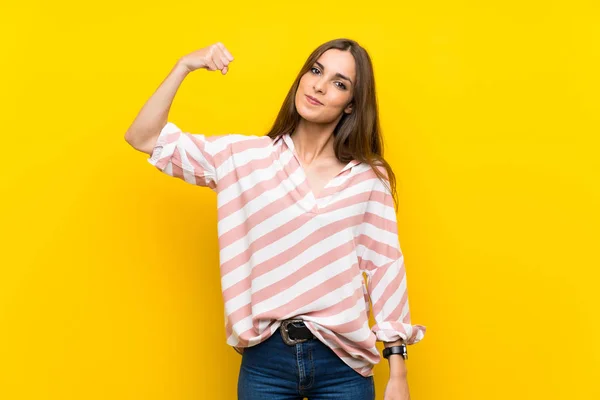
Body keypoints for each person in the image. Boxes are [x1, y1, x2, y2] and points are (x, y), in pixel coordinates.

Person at [125, 38, 426, 400]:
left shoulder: (366, 178)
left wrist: (398, 371)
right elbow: (142, 137)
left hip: (344, 365)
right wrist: (184, 66)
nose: (319, 85)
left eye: (339, 83)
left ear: (350, 106)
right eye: (315, 71)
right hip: (266, 362)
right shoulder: (245, 158)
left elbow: (385, 267)